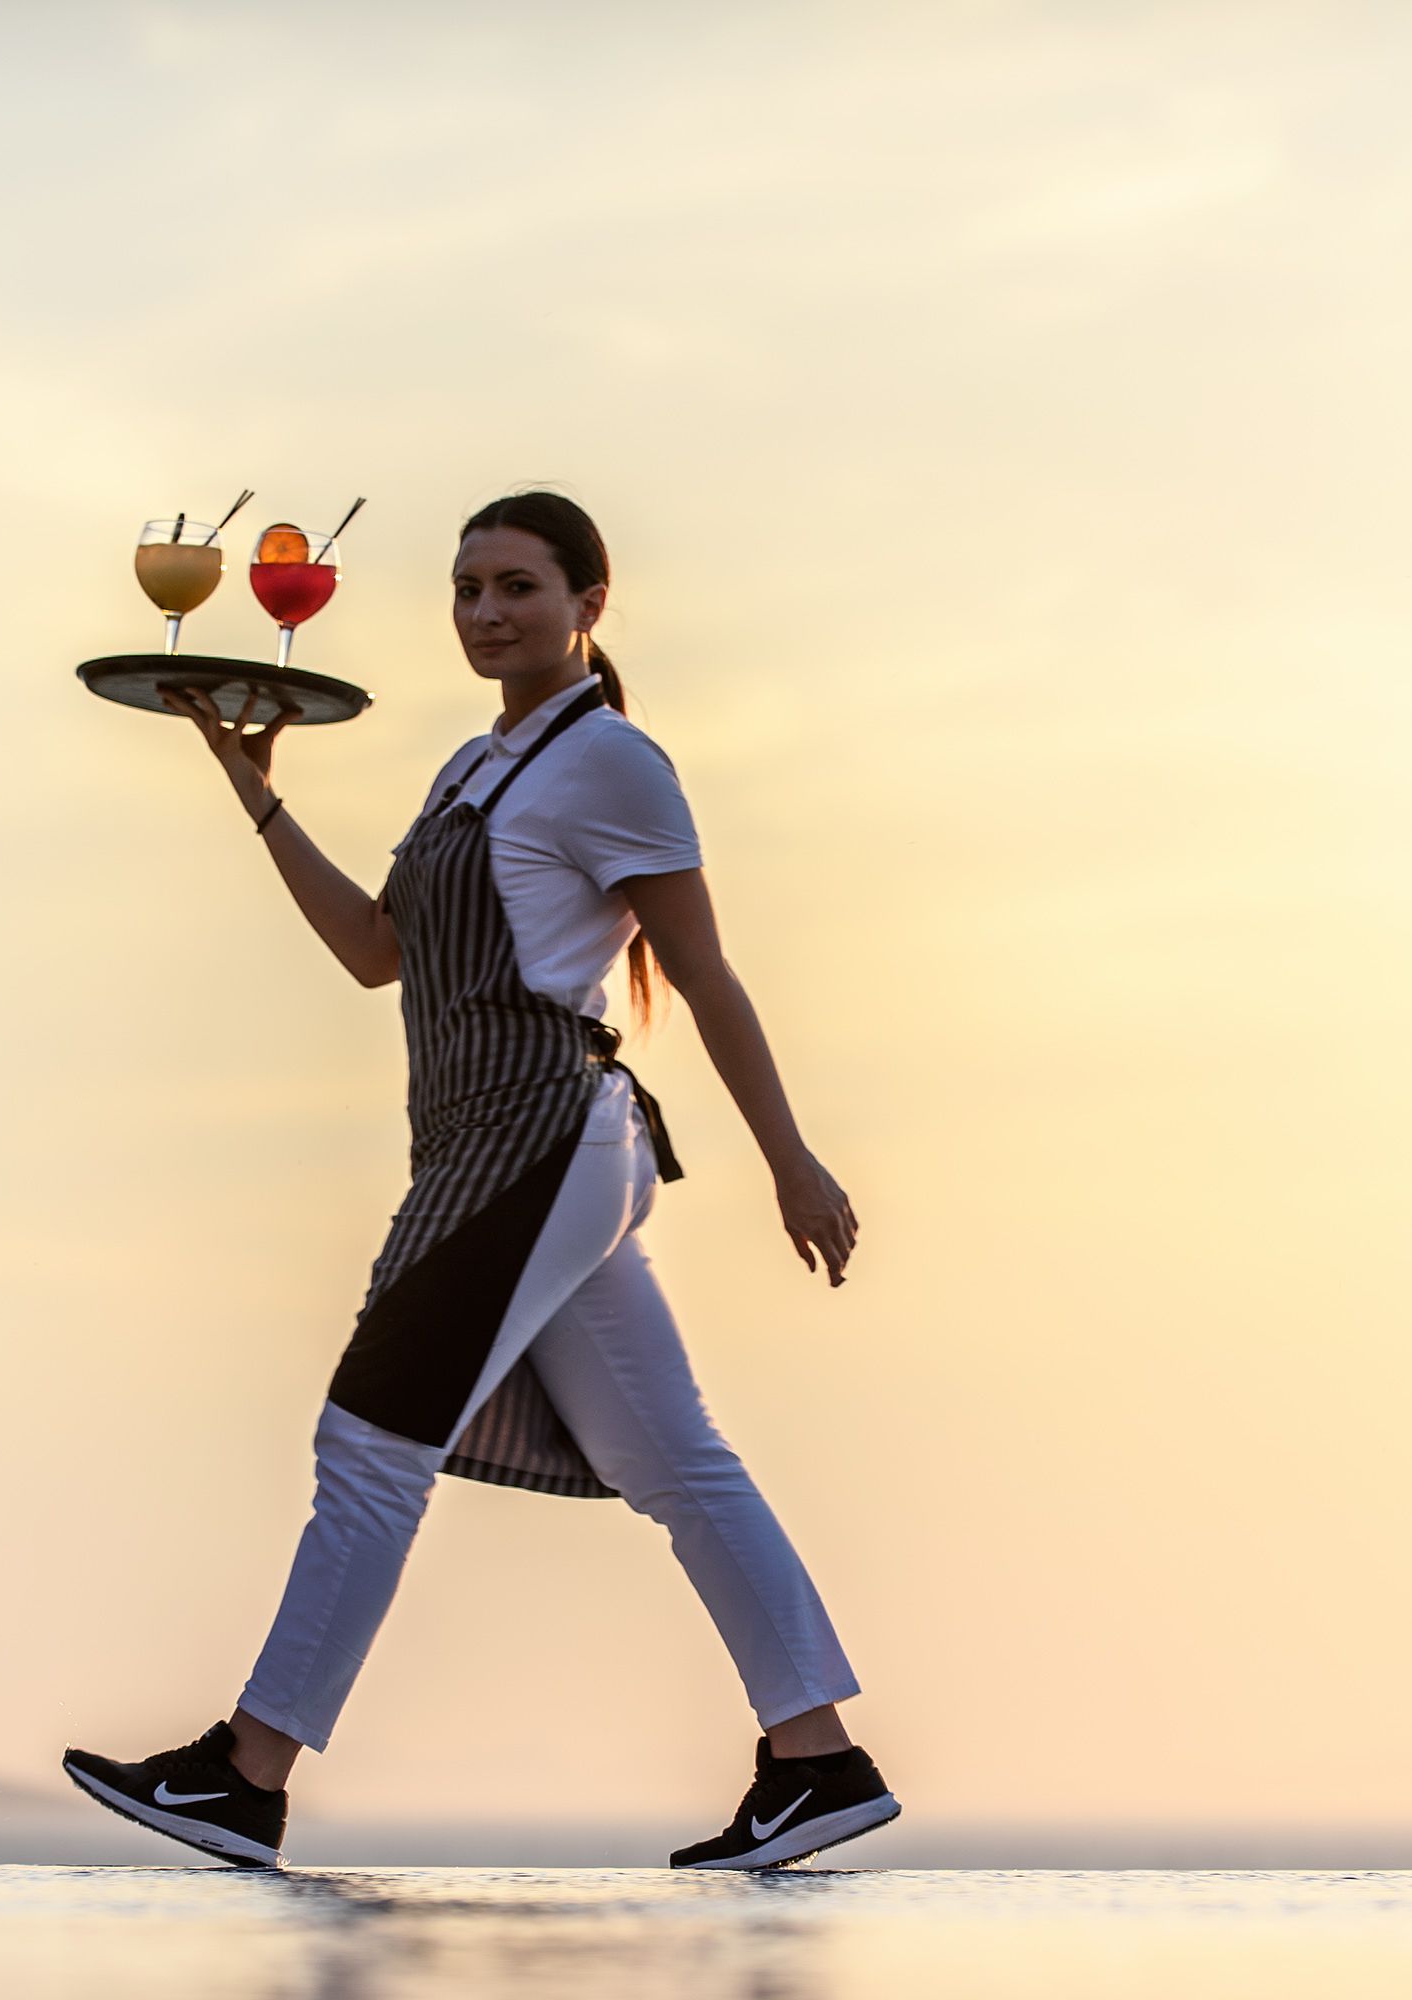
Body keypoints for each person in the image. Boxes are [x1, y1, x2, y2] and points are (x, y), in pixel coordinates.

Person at [62, 490, 898, 1871]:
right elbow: (380, 953)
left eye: (517, 585)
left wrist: (791, 1162)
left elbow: (702, 973)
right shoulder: (470, 765)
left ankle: (247, 1772)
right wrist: (256, 790)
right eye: (466, 590)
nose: (487, 612)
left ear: (589, 605)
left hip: (543, 1136)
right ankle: (820, 1758)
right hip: (482, 1145)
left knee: (371, 1448)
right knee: (674, 1462)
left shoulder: (617, 762)